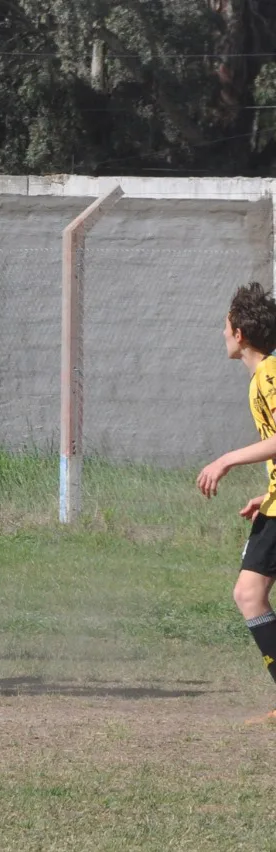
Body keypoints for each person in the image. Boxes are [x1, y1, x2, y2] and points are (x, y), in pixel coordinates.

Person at [196, 281, 276, 722]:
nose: (222, 334)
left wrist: (227, 459)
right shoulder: (265, 375)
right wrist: (266, 493)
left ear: (240, 332)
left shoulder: (269, 375)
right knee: (249, 592)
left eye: (225, 326)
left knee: (249, 593)